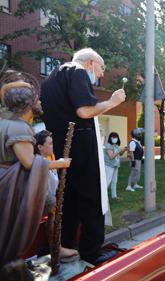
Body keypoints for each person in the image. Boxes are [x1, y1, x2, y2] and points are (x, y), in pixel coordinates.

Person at [40, 48, 126, 265]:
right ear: (89, 63)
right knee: (91, 196)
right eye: (101, 68)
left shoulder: (50, 79)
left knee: (68, 198)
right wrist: (113, 102)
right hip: (80, 140)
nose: (101, 75)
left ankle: (67, 246)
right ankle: (91, 251)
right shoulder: (77, 71)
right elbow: (85, 111)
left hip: (61, 143)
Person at [0, 70, 71, 271]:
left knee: (50, 205)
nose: (40, 103)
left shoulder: (4, 123)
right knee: (48, 204)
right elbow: (30, 163)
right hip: (10, 187)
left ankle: (54, 247)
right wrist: (60, 163)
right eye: (37, 100)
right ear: (28, 104)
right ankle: (14, 260)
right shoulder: (18, 128)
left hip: (5, 181)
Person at [34, 130, 79, 262]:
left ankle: (56, 248)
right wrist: (61, 163)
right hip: (42, 204)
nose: (53, 146)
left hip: (50, 203)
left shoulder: (49, 160)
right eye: (50, 143)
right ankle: (56, 248)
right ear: (40, 147)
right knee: (53, 215)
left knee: (53, 216)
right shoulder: (38, 162)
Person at [104, 132, 127, 199]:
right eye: (113, 137)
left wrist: (123, 150)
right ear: (110, 138)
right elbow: (111, 156)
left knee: (114, 181)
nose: (115, 138)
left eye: (116, 137)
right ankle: (102, 197)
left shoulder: (116, 145)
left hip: (115, 165)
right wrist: (118, 151)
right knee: (108, 181)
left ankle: (114, 196)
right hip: (109, 165)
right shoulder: (108, 145)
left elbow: (120, 154)